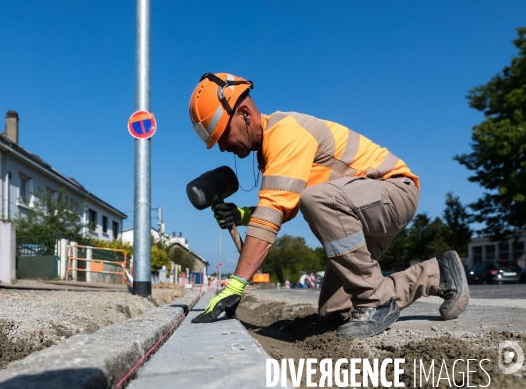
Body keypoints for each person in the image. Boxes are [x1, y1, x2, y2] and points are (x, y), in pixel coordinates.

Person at [189, 72, 469, 338]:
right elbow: (288, 205)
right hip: (359, 211)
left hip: (393, 192)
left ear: (245, 114)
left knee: (318, 200)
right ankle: (437, 273)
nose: (223, 148)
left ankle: (378, 302)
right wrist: (242, 215)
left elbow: (275, 210)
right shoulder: (270, 153)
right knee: (334, 312)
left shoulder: (285, 133)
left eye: (223, 136)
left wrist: (236, 285)